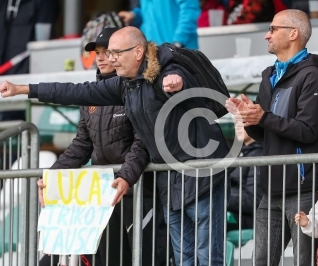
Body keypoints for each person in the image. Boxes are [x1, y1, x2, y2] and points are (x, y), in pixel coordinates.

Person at [0, 26, 231, 266]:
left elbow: (182, 85)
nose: (109, 58)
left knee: (205, 257)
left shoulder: (166, 72)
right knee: (185, 257)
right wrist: (24, 89)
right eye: (106, 53)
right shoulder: (125, 85)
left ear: (138, 52)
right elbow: (76, 93)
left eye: (115, 53)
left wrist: (179, 82)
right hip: (165, 184)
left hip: (198, 178)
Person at [36, 27, 168, 266]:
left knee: (141, 259)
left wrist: (126, 177)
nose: (101, 57)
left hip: (139, 193)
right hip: (103, 198)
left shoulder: (138, 90)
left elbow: (143, 143)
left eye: (108, 51)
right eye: (97, 52)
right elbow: (81, 145)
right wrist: (52, 176)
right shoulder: (90, 98)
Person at [225, 9, 318, 265]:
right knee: (260, 260)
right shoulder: (269, 75)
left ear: (293, 34)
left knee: (304, 260)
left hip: (303, 187)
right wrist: (247, 117)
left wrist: (262, 117)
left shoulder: (314, 75)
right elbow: (263, 134)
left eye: (273, 29)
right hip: (270, 188)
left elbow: (307, 130)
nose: (267, 35)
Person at [118, 0, 200, 49]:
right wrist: (134, 15)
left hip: (181, 52)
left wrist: (178, 42)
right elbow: (151, 11)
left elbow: (190, 10)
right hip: (155, 53)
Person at [227, 122, 263, 231]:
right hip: (235, 213)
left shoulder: (259, 156)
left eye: (242, 122)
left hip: (250, 218)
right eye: (236, 122)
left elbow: (255, 199)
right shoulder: (240, 154)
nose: (237, 126)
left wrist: (221, 199)